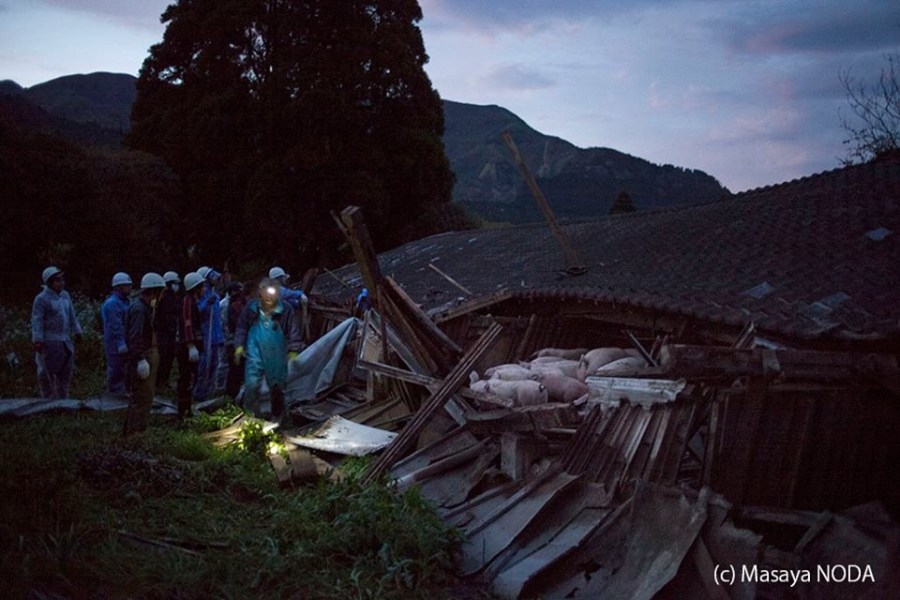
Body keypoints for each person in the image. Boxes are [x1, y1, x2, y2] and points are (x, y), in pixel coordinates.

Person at [234, 278, 302, 419]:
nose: (270, 296)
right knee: (252, 384)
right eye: (266, 292)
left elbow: (293, 330)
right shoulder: (251, 309)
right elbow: (241, 327)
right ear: (260, 292)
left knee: (277, 387)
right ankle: (251, 417)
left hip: (276, 353)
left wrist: (294, 350)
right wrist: (239, 346)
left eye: (274, 292)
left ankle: (277, 418)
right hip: (255, 351)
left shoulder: (285, 309)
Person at [122, 273, 166, 435]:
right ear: (154, 292)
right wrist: (140, 359)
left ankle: (137, 431)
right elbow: (135, 336)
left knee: (146, 397)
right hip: (143, 357)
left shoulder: (147, 308)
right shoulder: (139, 309)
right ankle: (134, 433)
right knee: (141, 398)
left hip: (148, 355)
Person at [31, 266, 83, 399]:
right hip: (49, 341)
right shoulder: (41, 299)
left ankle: (63, 399)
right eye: (57, 280)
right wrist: (38, 340)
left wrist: (77, 330)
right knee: (46, 373)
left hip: (64, 340)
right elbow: (37, 320)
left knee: (65, 372)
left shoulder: (65, 296)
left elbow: (71, 314)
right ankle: (47, 400)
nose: (62, 283)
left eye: (62, 279)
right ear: (50, 282)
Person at [194, 266, 224, 401]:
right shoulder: (200, 296)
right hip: (206, 336)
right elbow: (197, 312)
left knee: (214, 365)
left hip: (215, 336)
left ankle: (209, 392)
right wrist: (207, 302)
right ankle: (199, 393)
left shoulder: (215, 295)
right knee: (203, 366)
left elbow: (218, 318)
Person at [177, 271, 204, 419]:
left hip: (192, 347)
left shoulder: (193, 301)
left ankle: (188, 407)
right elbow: (187, 324)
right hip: (187, 348)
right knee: (186, 378)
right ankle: (183, 411)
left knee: (192, 377)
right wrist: (190, 345)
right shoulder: (188, 301)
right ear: (196, 288)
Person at [100, 272, 132, 397]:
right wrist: (121, 342)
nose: (129, 288)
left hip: (125, 339)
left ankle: (123, 389)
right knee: (116, 366)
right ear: (119, 287)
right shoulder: (112, 304)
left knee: (125, 366)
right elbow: (115, 325)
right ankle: (114, 391)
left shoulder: (126, 302)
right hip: (114, 342)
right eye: (127, 285)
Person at [155, 271, 181, 393]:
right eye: (175, 283)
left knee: (169, 358)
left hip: (170, 332)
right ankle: (159, 382)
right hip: (163, 332)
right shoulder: (163, 297)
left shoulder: (174, 297)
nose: (177, 286)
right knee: (163, 358)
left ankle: (164, 381)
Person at [220, 282, 246, 399]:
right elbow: (227, 323)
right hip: (231, 339)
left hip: (234, 339)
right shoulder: (229, 305)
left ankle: (230, 392)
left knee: (235, 369)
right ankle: (227, 391)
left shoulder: (237, 303)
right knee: (232, 368)